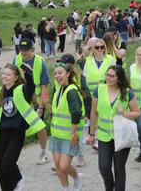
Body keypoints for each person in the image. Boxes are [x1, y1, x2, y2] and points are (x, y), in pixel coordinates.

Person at [0, 64, 46, 191]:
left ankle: (18, 179)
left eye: (8, 74)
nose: (5, 76)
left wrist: (28, 73)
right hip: (3, 133)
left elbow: (30, 87)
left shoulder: (21, 90)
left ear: (16, 77)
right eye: (4, 73)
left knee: (7, 163)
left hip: (17, 133)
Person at [88, 65, 141, 191]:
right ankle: (110, 188)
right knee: (104, 167)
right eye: (107, 75)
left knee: (119, 168)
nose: (108, 78)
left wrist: (124, 113)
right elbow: (94, 113)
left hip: (122, 136)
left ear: (119, 78)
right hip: (104, 136)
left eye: (112, 76)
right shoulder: (99, 90)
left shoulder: (127, 93)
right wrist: (91, 134)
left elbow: (138, 113)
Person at [13, 38, 51, 165]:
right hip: (21, 100)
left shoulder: (40, 62)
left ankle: (44, 152)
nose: (23, 53)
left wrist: (41, 106)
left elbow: (45, 86)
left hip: (37, 101)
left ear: (32, 49)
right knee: (18, 128)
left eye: (26, 50)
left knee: (39, 127)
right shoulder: (17, 60)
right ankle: (15, 157)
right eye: (21, 50)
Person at [50, 62, 85, 191]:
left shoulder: (71, 91)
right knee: (58, 167)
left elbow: (76, 113)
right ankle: (66, 189)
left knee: (64, 166)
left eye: (60, 73)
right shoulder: (59, 90)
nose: (57, 76)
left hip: (69, 135)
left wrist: (73, 133)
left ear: (68, 74)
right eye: (55, 74)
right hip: (56, 134)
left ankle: (77, 177)